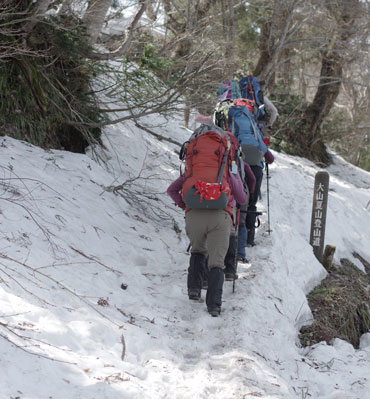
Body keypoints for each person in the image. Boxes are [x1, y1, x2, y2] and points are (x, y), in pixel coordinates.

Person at [167, 150, 247, 317]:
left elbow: (171, 190)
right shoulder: (227, 169)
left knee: (197, 250)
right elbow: (241, 198)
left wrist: (185, 206)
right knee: (217, 262)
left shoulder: (192, 170)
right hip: (219, 216)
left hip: (194, 215)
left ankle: (194, 290)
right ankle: (214, 306)